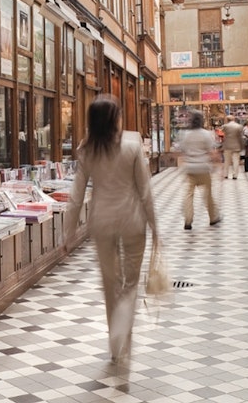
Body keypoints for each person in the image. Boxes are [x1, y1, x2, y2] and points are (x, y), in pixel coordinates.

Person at [64, 95, 158, 364]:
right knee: (130, 284)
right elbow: (145, 189)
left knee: (110, 284)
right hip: (132, 221)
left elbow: (76, 195)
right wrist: (155, 225)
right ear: (114, 118)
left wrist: (68, 232)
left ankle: (115, 343)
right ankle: (122, 332)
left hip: (102, 222)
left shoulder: (86, 149)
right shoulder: (132, 144)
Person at [178, 109, 221, 229]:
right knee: (208, 194)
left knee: (188, 195)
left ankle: (188, 220)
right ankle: (213, 218)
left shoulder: (184, 134)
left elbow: (182, 151)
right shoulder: (206, 134)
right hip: (203, 168)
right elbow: (212, 152)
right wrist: (218, 165)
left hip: (190, 168)